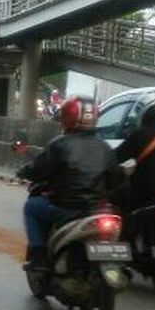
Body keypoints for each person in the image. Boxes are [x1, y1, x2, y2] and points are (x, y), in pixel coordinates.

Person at [17, 96, 123, 270]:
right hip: (95, 209)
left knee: (32, 206)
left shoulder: (59, 144)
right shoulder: (105, 147)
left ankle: (38, 256)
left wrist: (24, 172)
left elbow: (38, 170)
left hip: (65, 208)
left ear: (67, 118)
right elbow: (116, 179)